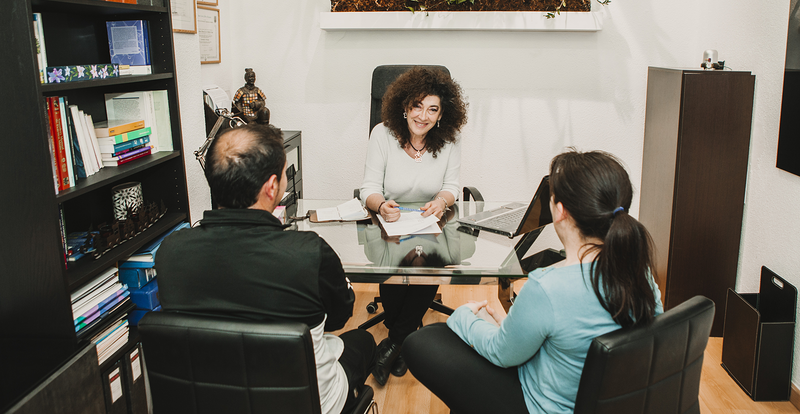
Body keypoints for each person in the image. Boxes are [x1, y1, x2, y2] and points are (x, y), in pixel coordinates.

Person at [403, 150, 664, 414]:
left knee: (422, 342)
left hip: (546, 408)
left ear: (559, 211)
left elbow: (500, 353)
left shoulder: (547, 287)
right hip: (611, 403)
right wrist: (517, 328)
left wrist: (463, 318)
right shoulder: (640, 273)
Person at [156, 124, 376, 414]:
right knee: (364, 341)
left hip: (211, 401)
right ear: (272, 187)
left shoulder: (170, 252)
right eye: (285, 174)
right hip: (305, 403)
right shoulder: (309, 253)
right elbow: (338, 318)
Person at [359, 66, 468, 385]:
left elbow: (452, 184)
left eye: (432, 108)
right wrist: (380, 204)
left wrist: (443, 202)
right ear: (404, 106)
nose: (423, 115)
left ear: (441, 113)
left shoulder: (450, 138)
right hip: (389, 219)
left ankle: (394, 341)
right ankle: (403, 342)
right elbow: (368, 188)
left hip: (430, 218)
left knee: (426, 260)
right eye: (417, 106)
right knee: (394, 256)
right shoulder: (382, 134)